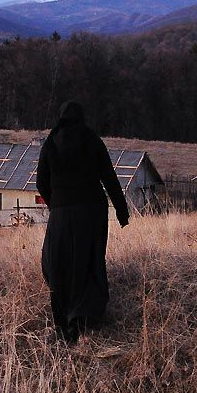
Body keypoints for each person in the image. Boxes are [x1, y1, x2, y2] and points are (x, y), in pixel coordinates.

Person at [36, 101, 130, 343]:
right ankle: (85, 316)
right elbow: (109, 178)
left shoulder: (51, 143)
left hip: (62, 212)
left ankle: (66, 320)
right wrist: (122, 212)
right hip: (92, 211)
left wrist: (56, 203)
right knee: (89, 260)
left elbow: (40, 183)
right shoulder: (93, 141)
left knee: (58, 262)